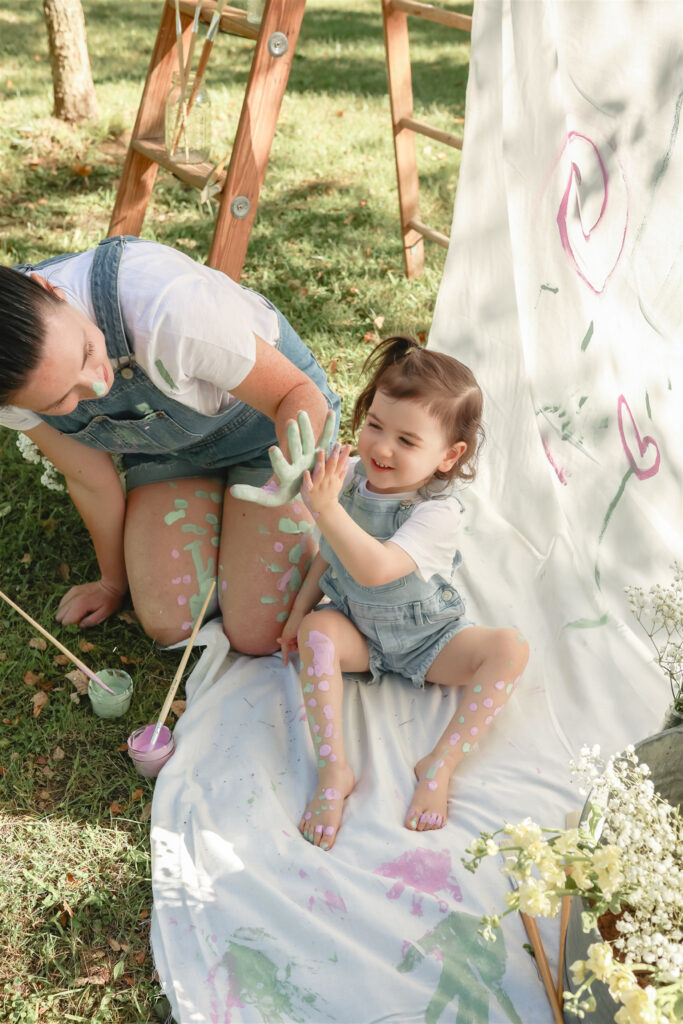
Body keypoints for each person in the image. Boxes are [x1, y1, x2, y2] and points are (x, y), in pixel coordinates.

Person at [0, 236, 340, 655]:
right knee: (170, 623)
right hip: (165, 450)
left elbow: (296, 392)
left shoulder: (163, 307)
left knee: (258, 634)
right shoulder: (9, 390)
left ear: (49, 289)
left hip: (267, 430)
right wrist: (111, 582)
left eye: (87, 352)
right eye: (59, 400)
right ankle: (221, 508)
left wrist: (296, 461)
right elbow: (91, 480)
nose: (98, 383)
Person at [276, 336, 529, 849]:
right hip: (358, 631)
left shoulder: (438, 512)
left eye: (407, 441)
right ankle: (333, 771)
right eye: (374, 425)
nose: (381, 448)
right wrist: (296, 615)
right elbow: (328, 554)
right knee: (316, 633)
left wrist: (326, 509)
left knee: (511, 649)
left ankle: (440, 762)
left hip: (428, 639)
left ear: (448, 455)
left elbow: (377, 569)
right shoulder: (348, 479)